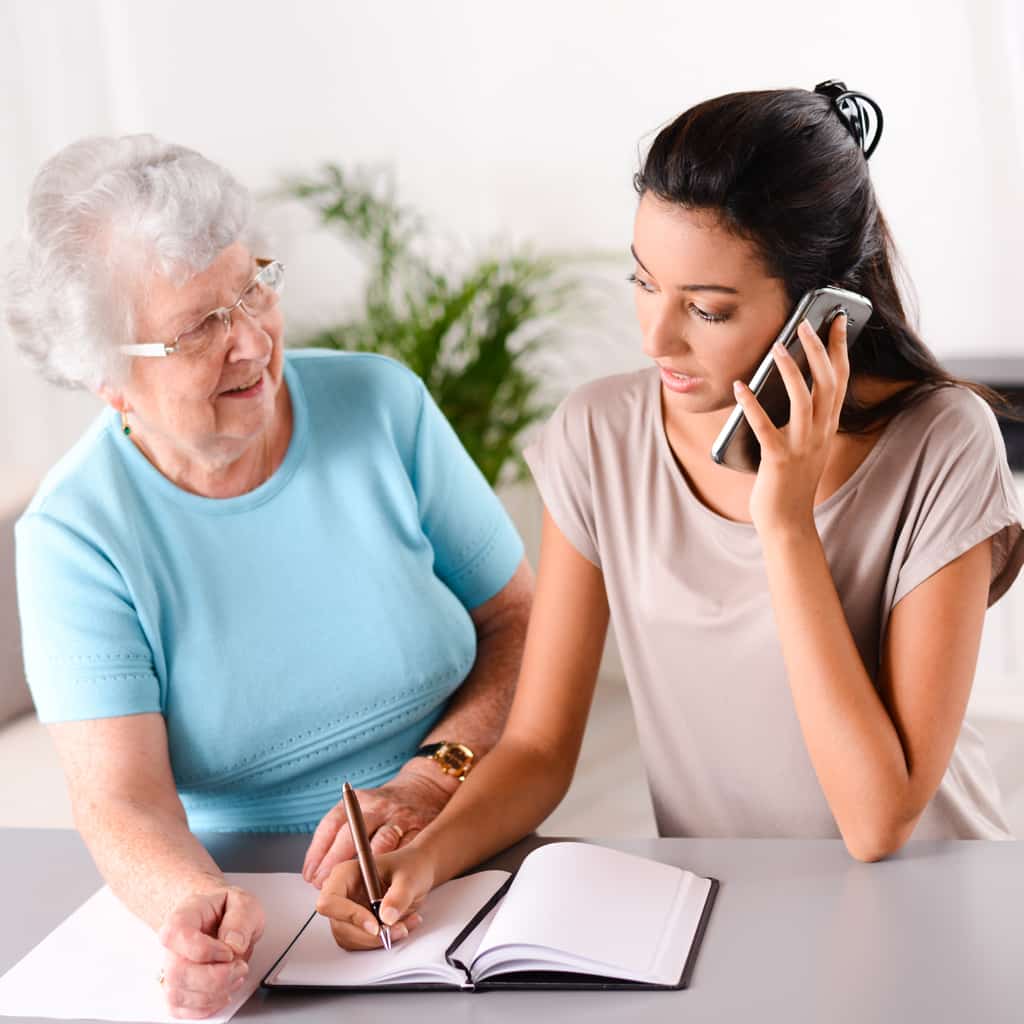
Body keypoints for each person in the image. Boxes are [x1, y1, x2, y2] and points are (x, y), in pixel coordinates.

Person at [315, 81, 1024, 951]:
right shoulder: (597, 433)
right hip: (721, 918)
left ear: (823, 309)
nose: (656, 338)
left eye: (707, 308)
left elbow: (879, 822)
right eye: (644, 283)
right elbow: (538, 747)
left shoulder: (945, 443)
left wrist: (788, 525)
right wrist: (424, 859)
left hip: (931, 914)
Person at [5, 134, 533, 1017]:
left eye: (253, 284)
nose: (252, 339)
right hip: (262, 913)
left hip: (470, 850)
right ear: (108, 378)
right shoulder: (75, 535)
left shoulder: (382, 404)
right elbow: (121, 801)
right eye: (198, 326)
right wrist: (191, 908)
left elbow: (521, 622)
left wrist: (430, 778)